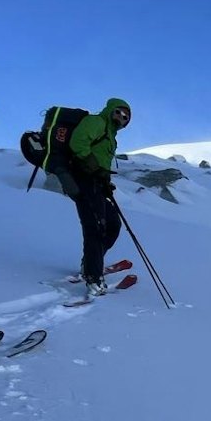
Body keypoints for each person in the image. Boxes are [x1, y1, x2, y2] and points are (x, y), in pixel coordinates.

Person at [65, 98, 130, 296]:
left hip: (96, 184)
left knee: (112, 225)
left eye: (126, 117)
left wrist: (105, 180)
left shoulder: (111, 136)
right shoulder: (97, 122)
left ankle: (91, 262)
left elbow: (100, 161)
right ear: (111, 110)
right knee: (96, 227)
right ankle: (93, 276)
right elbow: (78, 143)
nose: (122, 117)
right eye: (119, 112)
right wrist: (94, 169)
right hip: (83, 181)